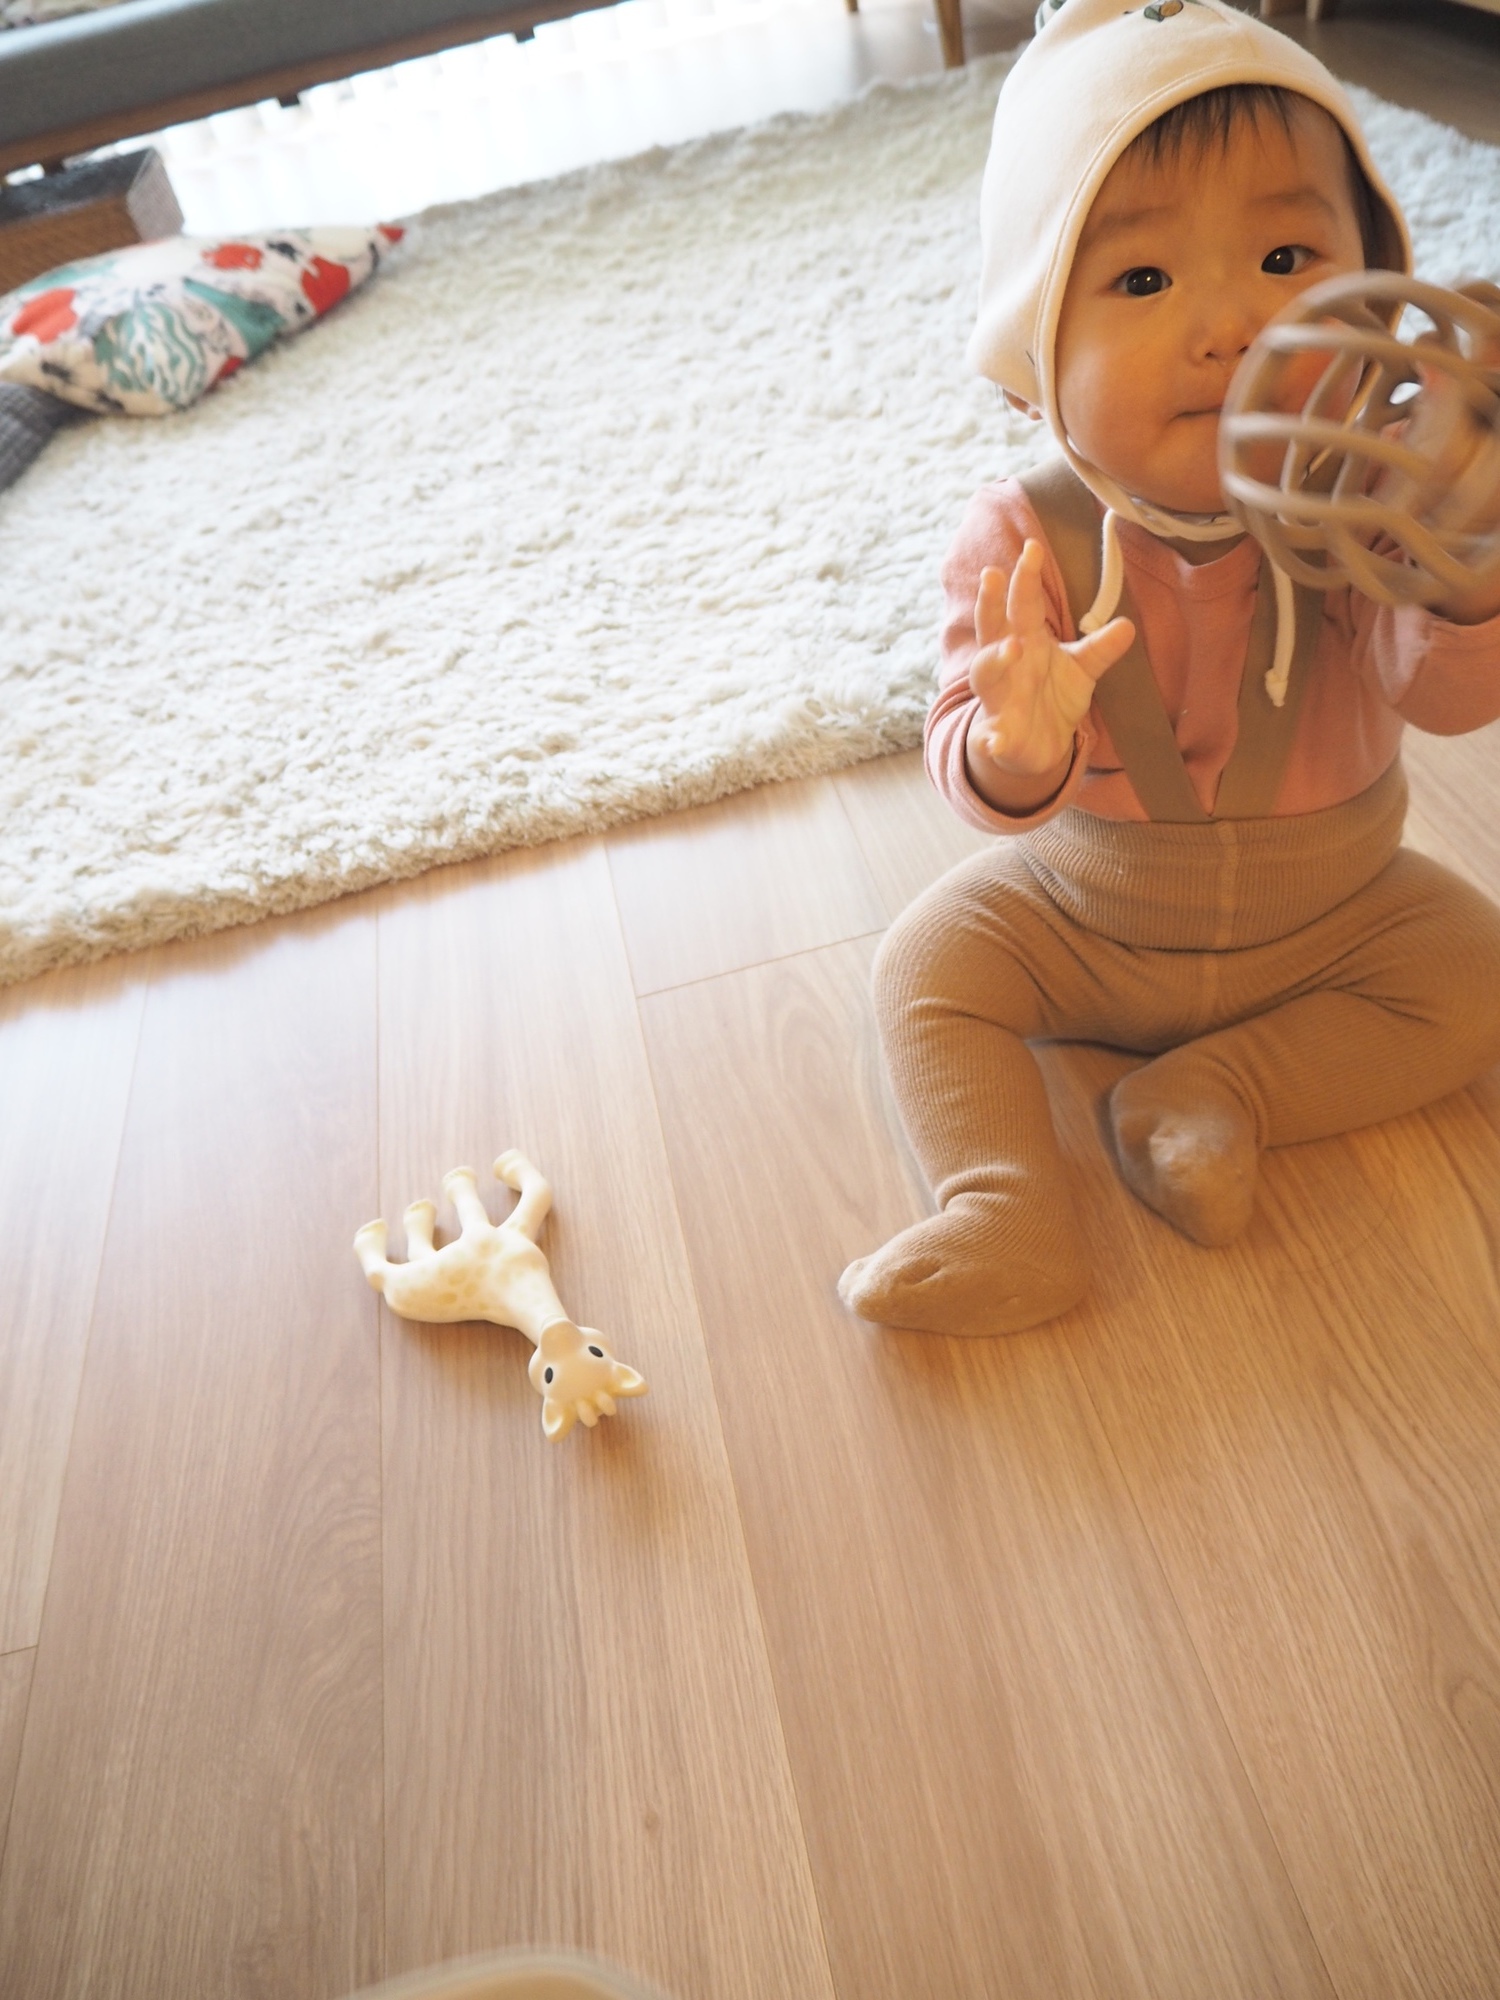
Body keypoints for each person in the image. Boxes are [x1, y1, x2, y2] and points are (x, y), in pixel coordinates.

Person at [838, 0, 1500, 1338]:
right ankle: (1005, 1207)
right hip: (1087, 916)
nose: (1233, 325)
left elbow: (1445, 697)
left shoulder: (1366, 503)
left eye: (1285, 255)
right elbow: (975, 746)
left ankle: (1216, 1095)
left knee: (1478, 972)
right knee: (924, 970)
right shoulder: (1022, 534)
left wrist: (1464, 564)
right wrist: (1014, 747)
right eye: (1144, 282)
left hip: (1342, 916)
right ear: (1034, 366)